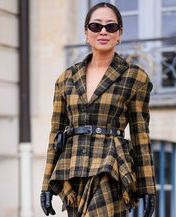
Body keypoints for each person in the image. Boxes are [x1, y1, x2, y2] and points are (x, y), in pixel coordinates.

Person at [40, 2, 156, 217]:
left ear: (119, 34)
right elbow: (55, 134)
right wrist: (46, 183)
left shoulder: (135, 77)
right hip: (73, 168)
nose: (103, 31)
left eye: (111, 27)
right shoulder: (65, 79)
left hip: (111, 168)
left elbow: (141, 135)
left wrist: (148, 186)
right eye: (96, 26)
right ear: (86, 33)